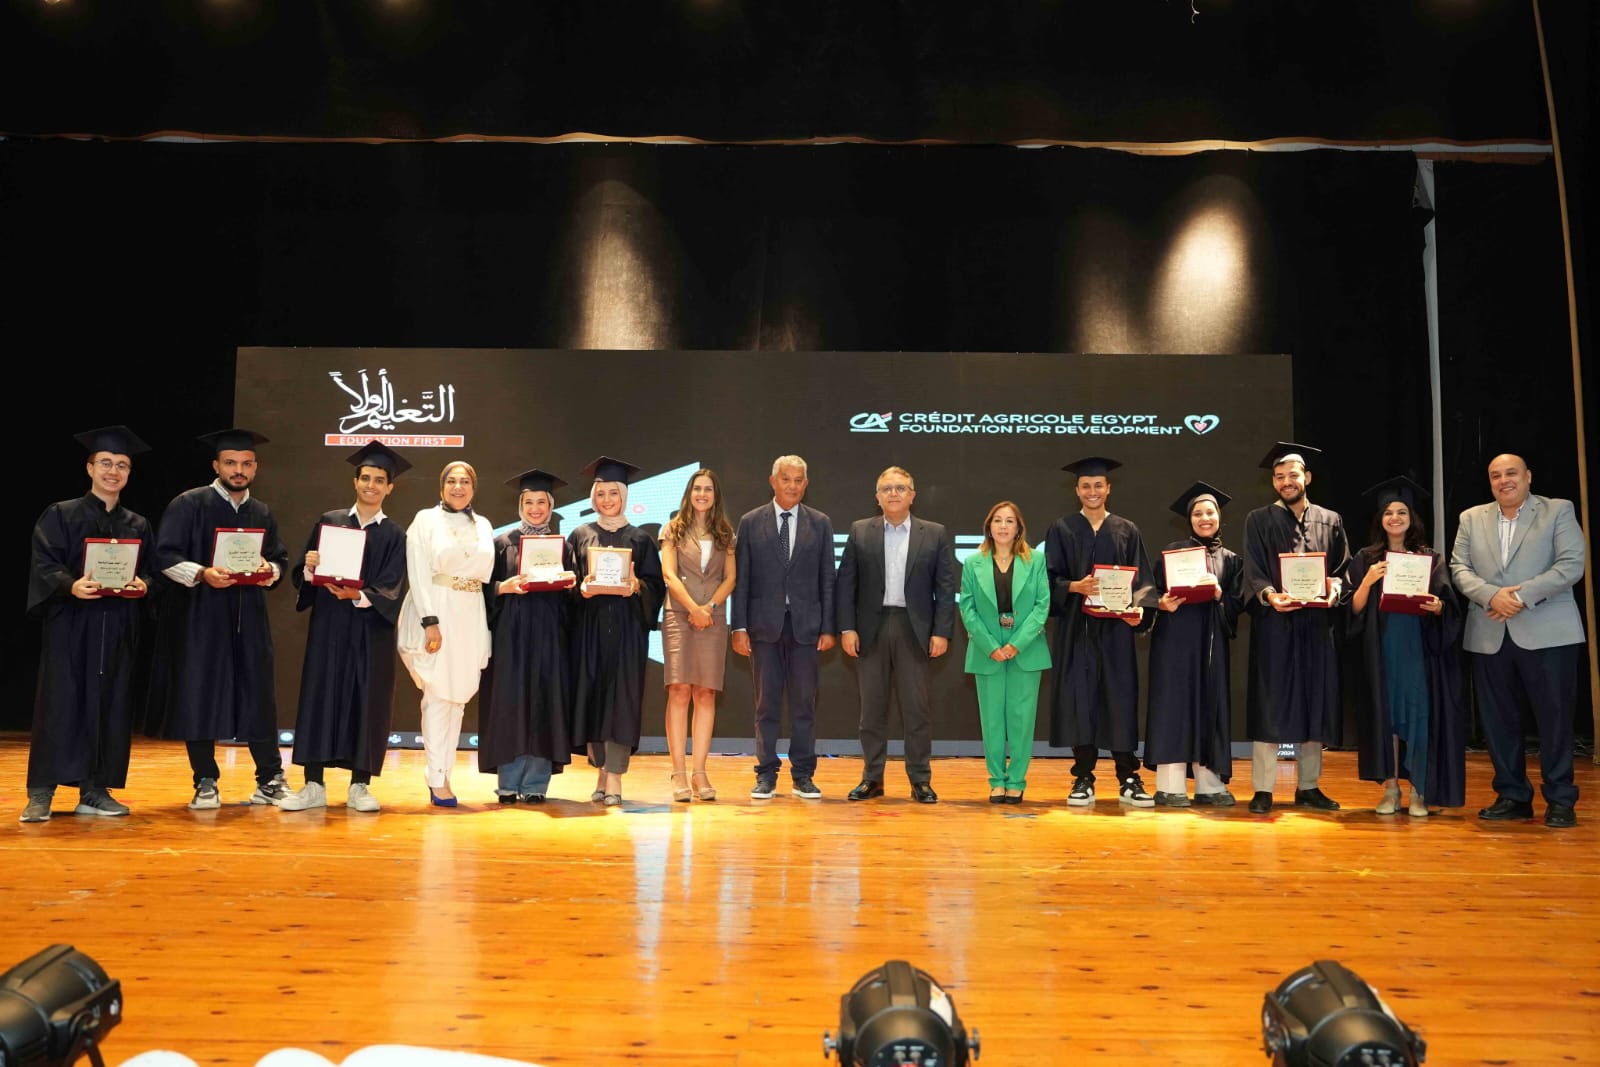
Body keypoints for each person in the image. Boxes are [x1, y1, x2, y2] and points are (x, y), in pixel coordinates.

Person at [146, 428, 291, 810]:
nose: (238, 470)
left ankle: (270, 779)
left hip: (250, 618)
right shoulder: (189, 504)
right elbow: (164, 556)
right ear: (216, 465)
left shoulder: (261, 512)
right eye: (230, 462)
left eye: (246, 463)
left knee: (259, 696)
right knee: (201, 693)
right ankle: (205, 780)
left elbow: (278, 559)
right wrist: (202, 573)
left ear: (255, 468)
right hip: (201, 619)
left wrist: (270, 570)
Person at [21, 426, 153, 823]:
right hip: (71, 624)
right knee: (60, 704)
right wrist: (70, 585)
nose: (113, 471)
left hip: (117, 626)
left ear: (129, 473)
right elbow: (45, 562)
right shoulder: (61, 514)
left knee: (110, 704)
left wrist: (145, 584)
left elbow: (152, 570)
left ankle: (94, 791)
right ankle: (41, 792)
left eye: (122, 465)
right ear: (90, 468)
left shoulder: (137, 524)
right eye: (106, 463)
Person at [1450, 453, 1587, 829]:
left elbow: (1571, 564)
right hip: (1489, 633)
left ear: (1528, 476)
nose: (1503, 480)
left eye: (1511, 473)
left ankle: (1560, 799)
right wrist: (1491, 596)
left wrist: (1519, 597)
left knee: (1555, 719)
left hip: (1550, 634)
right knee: (1498, 721)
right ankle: (1512, 795)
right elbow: (1459, 567)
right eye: (1495, 475)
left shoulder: (1557, 510)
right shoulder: (1471, 517)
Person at [279, 442, 411, 814]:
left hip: (371, 630)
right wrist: (310, 566)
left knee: (367, 701)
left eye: (379, 480)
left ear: (390, 487)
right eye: (365, 478)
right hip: (329, 625)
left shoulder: (395, 534)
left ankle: (360, 786)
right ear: (355, 481)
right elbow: (303, 576)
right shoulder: (330, 521)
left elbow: (393, 586)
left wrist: (359, 594)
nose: (371, 485)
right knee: (319, 696)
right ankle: (313, 785)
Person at [1241, 441, 1350, 815]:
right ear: (1273, 482)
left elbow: (1342, 569)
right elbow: (1253, 570)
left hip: (1316, 625)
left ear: (1307, 478)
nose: (1286, 482)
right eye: (1279, 477)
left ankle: (1308, 786)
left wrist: (1335, 589)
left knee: (1314, 701)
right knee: (1270, 703)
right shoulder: (1258, 520)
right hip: (1276, 624)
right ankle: (1263, 789)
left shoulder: (1330, 520)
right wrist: (1270, 595)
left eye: (1292, 475)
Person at [838, 466, 958, 804]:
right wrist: (847, 627)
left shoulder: (933, 533)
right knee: (871, 711)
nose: (894, 493)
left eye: (901, 488)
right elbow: (846, 584)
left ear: (912, 495)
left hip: (914, 629)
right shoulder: (860, 531)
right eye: (887, 488)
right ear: (877, 497)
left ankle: (920, 780)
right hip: (870, 630)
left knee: (916, 710)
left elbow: (945, 588)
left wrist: (941, 632)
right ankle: (872, 778)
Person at [1348, 476, 1465, 818]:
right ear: (1380, 519)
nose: (1395, 518)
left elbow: (1447, 607)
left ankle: (1419, 791)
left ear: (1412, 518)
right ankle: (1391, 789)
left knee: (1418, 717)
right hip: (1381, 652)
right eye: (1388, 512)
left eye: (1402, 512)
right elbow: (1352, 610)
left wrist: (1438, 607)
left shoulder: (1430, 559)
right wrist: (1368, 580)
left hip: (1418, 651)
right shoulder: (1366, 558)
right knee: (1386, 718)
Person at [1046, 456, 1158, 808]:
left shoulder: (1127, 529)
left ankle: (1128, 777)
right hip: (1077, 629)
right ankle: (1083, 776)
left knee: (1119, 698)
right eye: (1085, 486)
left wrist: (1139, 609)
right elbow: (1047, 579)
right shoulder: (1062, 529)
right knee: (1080, 700)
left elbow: (1142, 581)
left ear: (1108, 488)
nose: (1092, 491)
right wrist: (1073, 587)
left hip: (1115, 632)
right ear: (1076, 490)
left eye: (1098, 485)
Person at [731, 455, 837, 800]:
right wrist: (739, 626)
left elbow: (828, 578)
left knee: (805, 705)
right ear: (773, 481)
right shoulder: (750, 522)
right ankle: (766, 774)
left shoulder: (820, 523)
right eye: (786, 479)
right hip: (764, 627)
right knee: (766, 705)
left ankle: (803, 775)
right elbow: (742, 579)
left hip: (807, 628)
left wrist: (829, 627)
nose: (792, 486)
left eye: (798, 480)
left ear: (806, 484)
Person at [567, 456, 665, 807]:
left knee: (621, 702)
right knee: (593, 699)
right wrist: (580, 589)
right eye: (601, 493)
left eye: (613, 493)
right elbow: (567, 583)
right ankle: (600, 771)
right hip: (589, 632)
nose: (607, 499)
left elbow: (656, 587)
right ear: (593, 497)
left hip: (626, 633)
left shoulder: (640, 539)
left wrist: (638, 586)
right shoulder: (580, 535)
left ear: (624, 495)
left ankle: (615, 777)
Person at [396, 461, 495, 807]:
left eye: (465, 481)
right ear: (441, 486)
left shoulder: (483, 524)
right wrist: (429, 620)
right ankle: (436, 777)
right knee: (438, 695)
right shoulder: (425, 520)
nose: (458, 487)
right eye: (451, 481)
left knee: (458, 698)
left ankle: (445, 773)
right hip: (437, 608)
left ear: (473, 487)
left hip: (470, 612)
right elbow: (417, 571)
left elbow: (484, 575)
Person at [1144, 482, 1245, 808]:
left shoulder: (1232, 561)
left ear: (1219, 517)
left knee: (1210, 706)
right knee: (1174, 706)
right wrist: (1161, 602)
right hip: (1174, 645)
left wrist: (1219, 593)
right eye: (1198, 513)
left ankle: (1209, 785)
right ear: (1189, 519)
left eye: (1210, 512)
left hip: (1211, 646)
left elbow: (1238, 605)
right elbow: (1148, 593)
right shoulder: (1173, 554)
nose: (1204, 518)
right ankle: (1169, 786)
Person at [477, 468, 575, 805]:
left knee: (544, 703)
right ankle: (508, 782)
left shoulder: (563, 547)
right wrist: (502, 588)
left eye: (541, 502)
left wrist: (570, 584)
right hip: (511, 636)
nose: (535, 509)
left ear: (551, 506)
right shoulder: (501, 544)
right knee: (510, 705)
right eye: (529, 502)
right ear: (520, 506)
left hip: (549, 636)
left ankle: (536, 783)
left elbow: (570, 602)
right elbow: (482, 590)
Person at [959, 500, 1051, 804]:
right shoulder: (973, 562)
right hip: (988, 651)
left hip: (1026, 649)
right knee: (992, 722)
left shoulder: (1036, 560)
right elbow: (967, 608)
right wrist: (991, 646)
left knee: (1022, 721)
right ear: (989, 527)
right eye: (997, 520)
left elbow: (1042, 606)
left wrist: (1016, 644)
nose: (1003, 526)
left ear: (1018, 528)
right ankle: (997, 781)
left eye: (1009, 521)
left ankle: (1017, 781)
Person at [659, 468, 737, 802]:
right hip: (679, 616)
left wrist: (709, 608)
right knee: (679, 690)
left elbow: (730, 578)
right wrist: (693, 608)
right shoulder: (672, 529)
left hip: (713, 620)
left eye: (708, 489)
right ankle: (678, 772)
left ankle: (700, 772)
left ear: (715, 495)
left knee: (705, 693)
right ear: (688, 494)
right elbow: (668, 574)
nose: (702, 494)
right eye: (697, 488)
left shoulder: (726, 533)